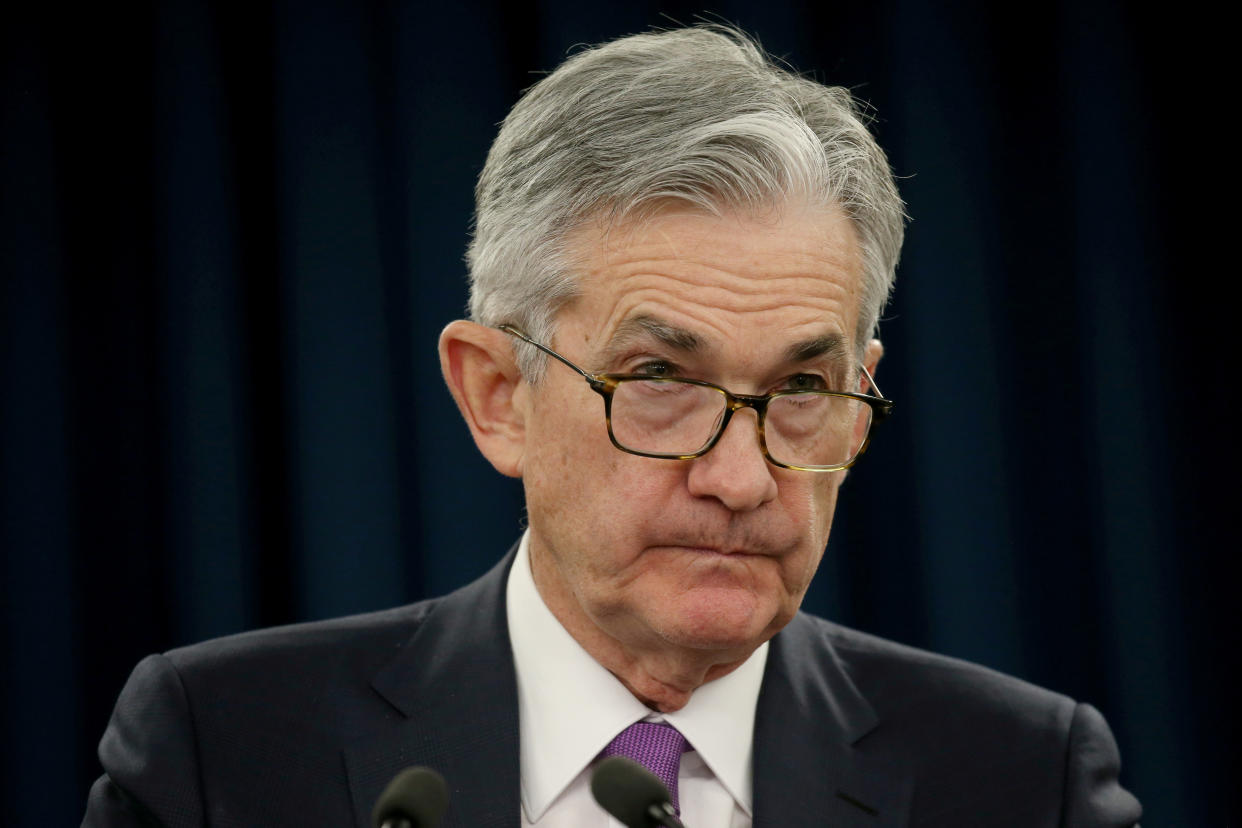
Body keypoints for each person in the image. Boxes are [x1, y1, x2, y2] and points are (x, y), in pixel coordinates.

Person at [83, 25, 1141, 827]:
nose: (741, 477)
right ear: (497, 394)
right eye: (658, 378)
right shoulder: (225, 751)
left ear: (860, 408)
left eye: (801, 391)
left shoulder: (1019, 779)